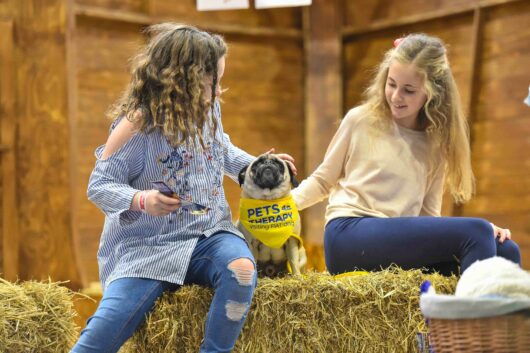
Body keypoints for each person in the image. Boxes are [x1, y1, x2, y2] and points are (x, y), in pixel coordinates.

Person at [71, 23, 295, 353]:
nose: (220, 91)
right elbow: (99, 184)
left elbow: (221, 150)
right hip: (147, 247)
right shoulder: (134, 127)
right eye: (213, 82)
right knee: (102, 334)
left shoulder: (209, 110)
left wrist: (255, 167)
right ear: (184, 80)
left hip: (209, 234)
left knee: (243, 271)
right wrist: (143, 199)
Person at [291, 33, 521, 277]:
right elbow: (322, 180)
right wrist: (280, 208)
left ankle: (497, 316)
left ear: (432, 93)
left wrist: (483, 233)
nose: (396, 96)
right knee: (477, 231)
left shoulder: (435, 144)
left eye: (409, 90)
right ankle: (468, 315)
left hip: (395, 248)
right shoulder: (360, 120)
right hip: (349, 234)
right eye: (391, 84)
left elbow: (428, 217)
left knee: (506, 250)